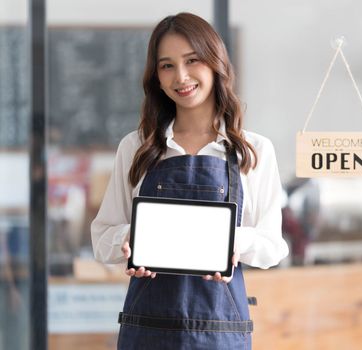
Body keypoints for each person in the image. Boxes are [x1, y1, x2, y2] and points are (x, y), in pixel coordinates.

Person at [91, 12, 289, 350]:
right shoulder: (137, 147)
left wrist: (226, 241)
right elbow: (101, 240)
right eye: (166, 65)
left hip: (220, 332)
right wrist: (133, 237)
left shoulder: (253, 151)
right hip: (146, 330)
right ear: (155, 76)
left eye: (192, 60)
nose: (180, 76)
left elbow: (272, 247)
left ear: (215, 62)